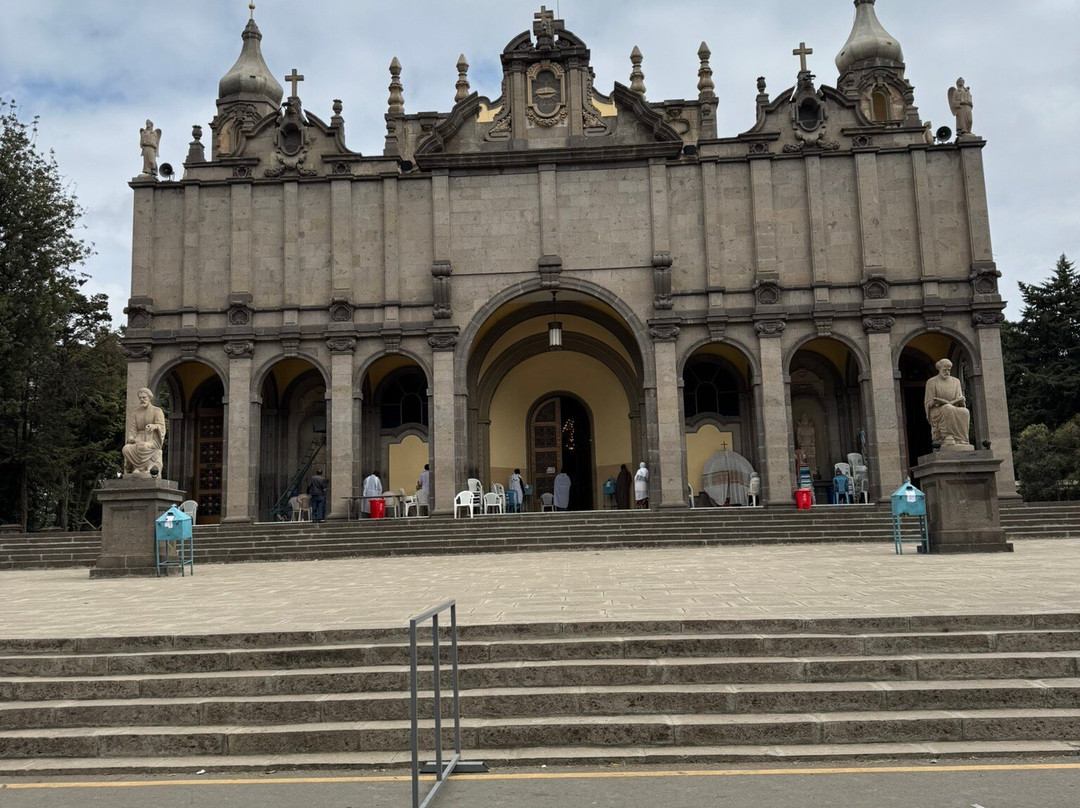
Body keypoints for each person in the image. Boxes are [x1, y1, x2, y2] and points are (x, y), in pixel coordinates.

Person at [924, 359, 972, 449]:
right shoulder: (932, 382)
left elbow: (959, 398)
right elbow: (928, 402)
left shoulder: (956, 381)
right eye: (944, 370)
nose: (947, 372)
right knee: (948, 408)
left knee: (965, 412)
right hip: (938, 410)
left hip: (953, 407)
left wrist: (961, 400)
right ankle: (947, 436)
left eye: (949, 370)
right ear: (939, 369)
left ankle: (962, 439)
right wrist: (934, 402)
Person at [122, 388, 166, 477]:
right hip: (138, 438)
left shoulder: (157, 411)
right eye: (140, 398)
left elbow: (161, 426)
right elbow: (133, 429)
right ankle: (138, 467)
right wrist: (131, 438)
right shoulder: (135, 412)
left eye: (144, 397)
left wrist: (154, 426)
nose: (142, 399)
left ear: (149, 398)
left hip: (152, 438)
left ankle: (144, 467)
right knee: (126, 449)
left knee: (143, 446)